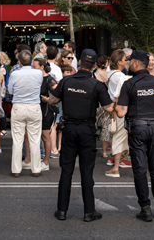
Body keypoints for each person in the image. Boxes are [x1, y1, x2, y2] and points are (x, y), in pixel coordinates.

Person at [51, 49, 114, 222]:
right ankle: (89, 212)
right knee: (87, 172)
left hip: (69, 129)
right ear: (94, 65)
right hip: (87, 130)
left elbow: (53, 100)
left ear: (78, 62)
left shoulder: (66, 81)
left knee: (66, 171)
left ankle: (62, 211)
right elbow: (109, 108)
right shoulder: (97, 85)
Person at [116, 50, 154, 222]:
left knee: (140, 170)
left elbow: (121, 113)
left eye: (129, 61)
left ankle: (145, 208)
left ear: (135, 63)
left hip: (138, 129)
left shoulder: (129, 84)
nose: (127, 64)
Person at [8, 50, 43, 177]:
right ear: (32, 61)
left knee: (17, 139)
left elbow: (10, 91)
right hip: (34, 106)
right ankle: (36, 169)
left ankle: (16, 170)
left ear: (19, 62)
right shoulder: (38, 73)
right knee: (34, 138)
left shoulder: (15, 74)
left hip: (19, 106)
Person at [105, 49, 132, 177]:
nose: (126, 62)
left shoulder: (111, 73)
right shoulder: (120, 76)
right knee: (119, 137)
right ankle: (116, 166)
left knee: (118, 136)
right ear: (119, 61)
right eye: (124, 59)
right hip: (120, 109)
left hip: (113, 108)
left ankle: (118, 162)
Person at [34, 58, 57, 171]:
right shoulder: (35, 78)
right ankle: (37, 160)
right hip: (36, 110)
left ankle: (46, 162)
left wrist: (48, 99)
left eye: (35, 66)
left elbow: (58, 92)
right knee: (37, 136)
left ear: (42, 67)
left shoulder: (49, 79)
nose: (33, 69)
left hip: (46, 111)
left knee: (45, 136)